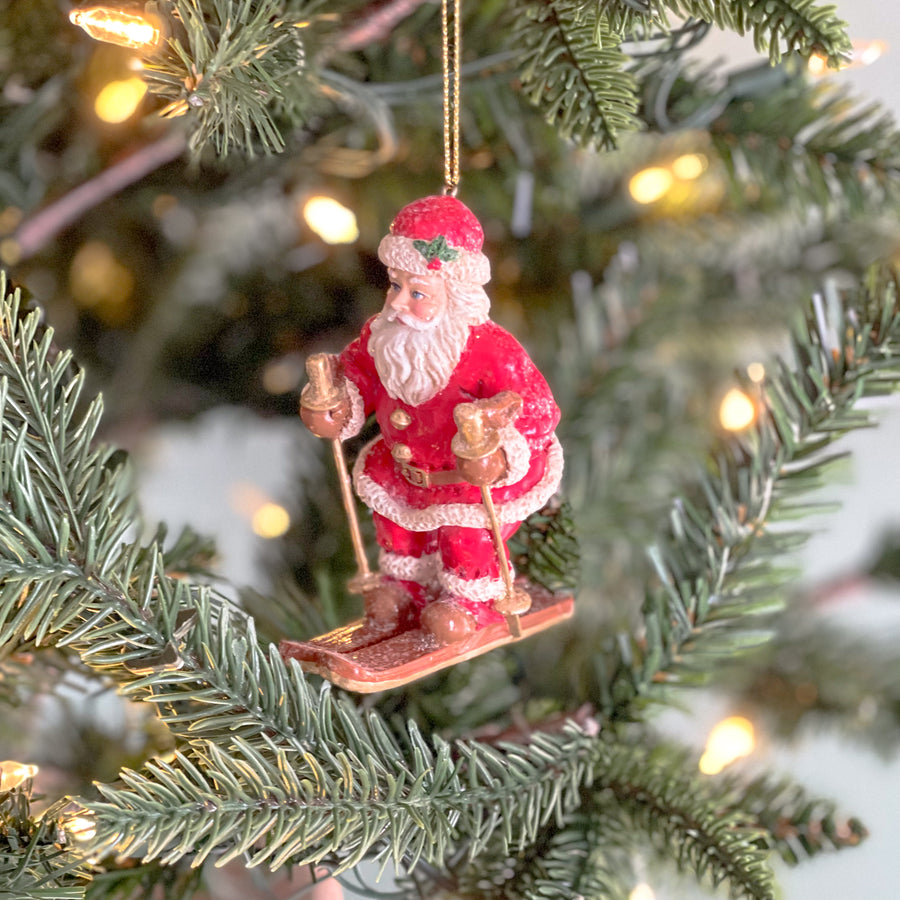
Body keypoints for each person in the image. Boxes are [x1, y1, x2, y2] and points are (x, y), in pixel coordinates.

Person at [300, 195, 563, 645]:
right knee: (398, 529)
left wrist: (498, 451)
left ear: (453, 296)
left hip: (465, 478)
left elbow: (537, 409)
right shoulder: (382, 334)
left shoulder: (488, 349)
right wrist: (337, 404)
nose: (400, 303)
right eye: (395, 285)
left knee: (467, 537)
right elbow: (359, 372)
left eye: (418, 292)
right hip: (405, 473)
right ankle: (407, 589)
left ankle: (470, 602)